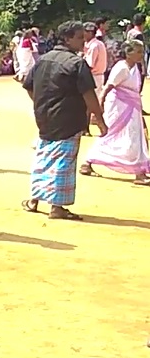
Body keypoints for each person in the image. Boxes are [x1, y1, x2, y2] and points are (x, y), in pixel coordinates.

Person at [22, 21, 105, 220]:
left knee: (44, 157)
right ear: (67, 39)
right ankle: (56, 207)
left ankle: (35, 199)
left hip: (44, 116)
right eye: (78, 38)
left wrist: (40, 103)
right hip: (69, 118)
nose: (83, 42)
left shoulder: (43, 59)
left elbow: (28, 86)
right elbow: (89, 95)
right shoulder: (77, 63)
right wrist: (100, 120)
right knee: (63, 163)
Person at [83, 39, 150, 184]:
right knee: (114, 135)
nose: (141, 55)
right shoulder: (122, 68)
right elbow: (107, 88)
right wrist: (99, 108)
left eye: (141, 51)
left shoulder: (134, 69)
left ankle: (139, 171)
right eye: (138, 52)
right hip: (120, 108)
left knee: (134, 137)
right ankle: (138, 173)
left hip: (132, 108)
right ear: (128, 53)